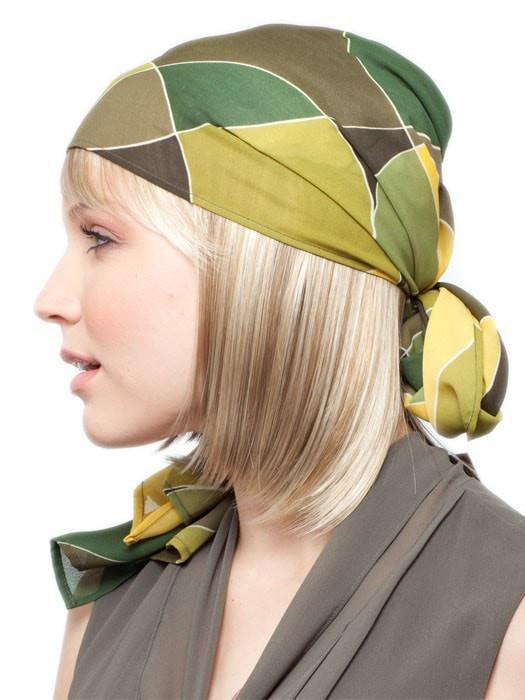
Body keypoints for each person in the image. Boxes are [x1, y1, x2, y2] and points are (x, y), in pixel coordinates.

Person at [33, 23, 525, 700]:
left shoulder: (506, 614)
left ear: (260, 262)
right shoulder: (109, 603)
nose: (50, 300)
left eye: (99, 237)